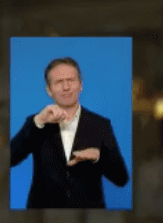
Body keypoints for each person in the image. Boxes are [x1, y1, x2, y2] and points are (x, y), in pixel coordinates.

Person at [10, 57, 129, 208]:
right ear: (49, 90)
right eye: (59, 82)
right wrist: (39, 121)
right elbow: (10, 158)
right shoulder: (36, 123)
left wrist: (99, 157)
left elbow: (121, 179)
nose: (66, 87)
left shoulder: (100, 125)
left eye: (71, 80)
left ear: (80, 85)